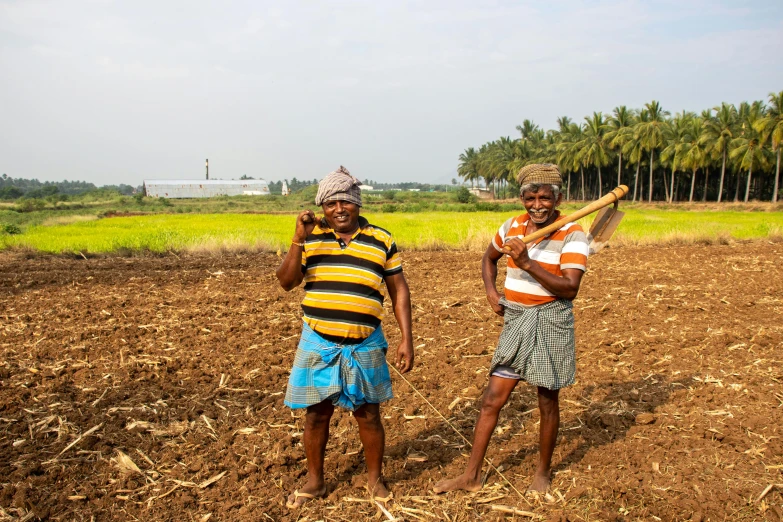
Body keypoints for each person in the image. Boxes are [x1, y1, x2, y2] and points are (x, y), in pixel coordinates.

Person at [434, 163, 589, 495]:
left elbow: (570, 288)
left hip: (551, 319)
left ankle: (543, 472)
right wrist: (491, 291)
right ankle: (472, 476)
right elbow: (488, 259)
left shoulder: (572, 233)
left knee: (547, 400)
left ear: (557, 197)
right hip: (516, 320)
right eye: (530, 198)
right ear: (522, 199)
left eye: (545, 198)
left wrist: (527, 263)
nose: (537, 205)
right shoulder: (511, 227)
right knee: (492, 398)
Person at [276, 166, 414, 509]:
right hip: (318, 340)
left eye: (346, 202)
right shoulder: (310, 239)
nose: (339, 209)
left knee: (368, 414)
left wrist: (406, 338)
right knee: (316, 413)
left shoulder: (382, 239)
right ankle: (315, 480)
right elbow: (286, 281)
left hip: (365, 340)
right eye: (331, 203)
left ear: (357, 204)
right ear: (323, 207)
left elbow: (399, 290)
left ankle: (375, 480)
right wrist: (297, 237)